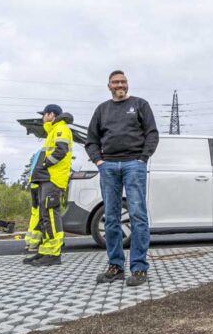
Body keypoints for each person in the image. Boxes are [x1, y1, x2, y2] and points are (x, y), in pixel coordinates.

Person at [86, 70, 159, 287]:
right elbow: (91, 140)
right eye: (116, 82)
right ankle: (115, 266)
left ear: (128, 84)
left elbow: (152, 133)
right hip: (108, 166)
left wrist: (142, 158)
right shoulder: (102, 109)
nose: (120, 84)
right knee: (111, 217)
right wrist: (99, 161)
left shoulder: (140, 105)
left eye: (123, 81)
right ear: (108, 85)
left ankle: (138, 268)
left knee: (137, 215)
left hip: (133, 165)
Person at [24, 104, 74, 267]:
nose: (42, 118)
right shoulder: (53, 131)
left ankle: (53, 254)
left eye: (44, 114)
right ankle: (45, 251)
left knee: (51, 215)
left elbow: (61, 150)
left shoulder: (61, 128)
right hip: (47, 178)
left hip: (53, 178)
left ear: (51, 115)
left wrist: (45, 164)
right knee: (45, 216)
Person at [20, 149, 44, 253]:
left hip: (33, 183)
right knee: (41, 214)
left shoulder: (39, 151)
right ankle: (34, 243)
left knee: (35, 213)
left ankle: (29, 241)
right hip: (40, 183)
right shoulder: (49, 150)